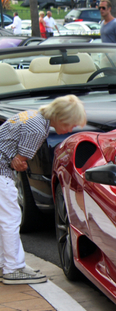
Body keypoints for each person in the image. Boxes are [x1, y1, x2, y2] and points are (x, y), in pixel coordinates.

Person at [0, 95, 86, 285]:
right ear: (61, 117)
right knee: (10, 219)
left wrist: (17, 159)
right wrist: (19, 161)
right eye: (71, 124)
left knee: (4, 219)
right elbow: (19, 161)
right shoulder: (38, 129)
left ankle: (6, 263)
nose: (71, 129)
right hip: (1, 171)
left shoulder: (33, 117)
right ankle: (12, 268)